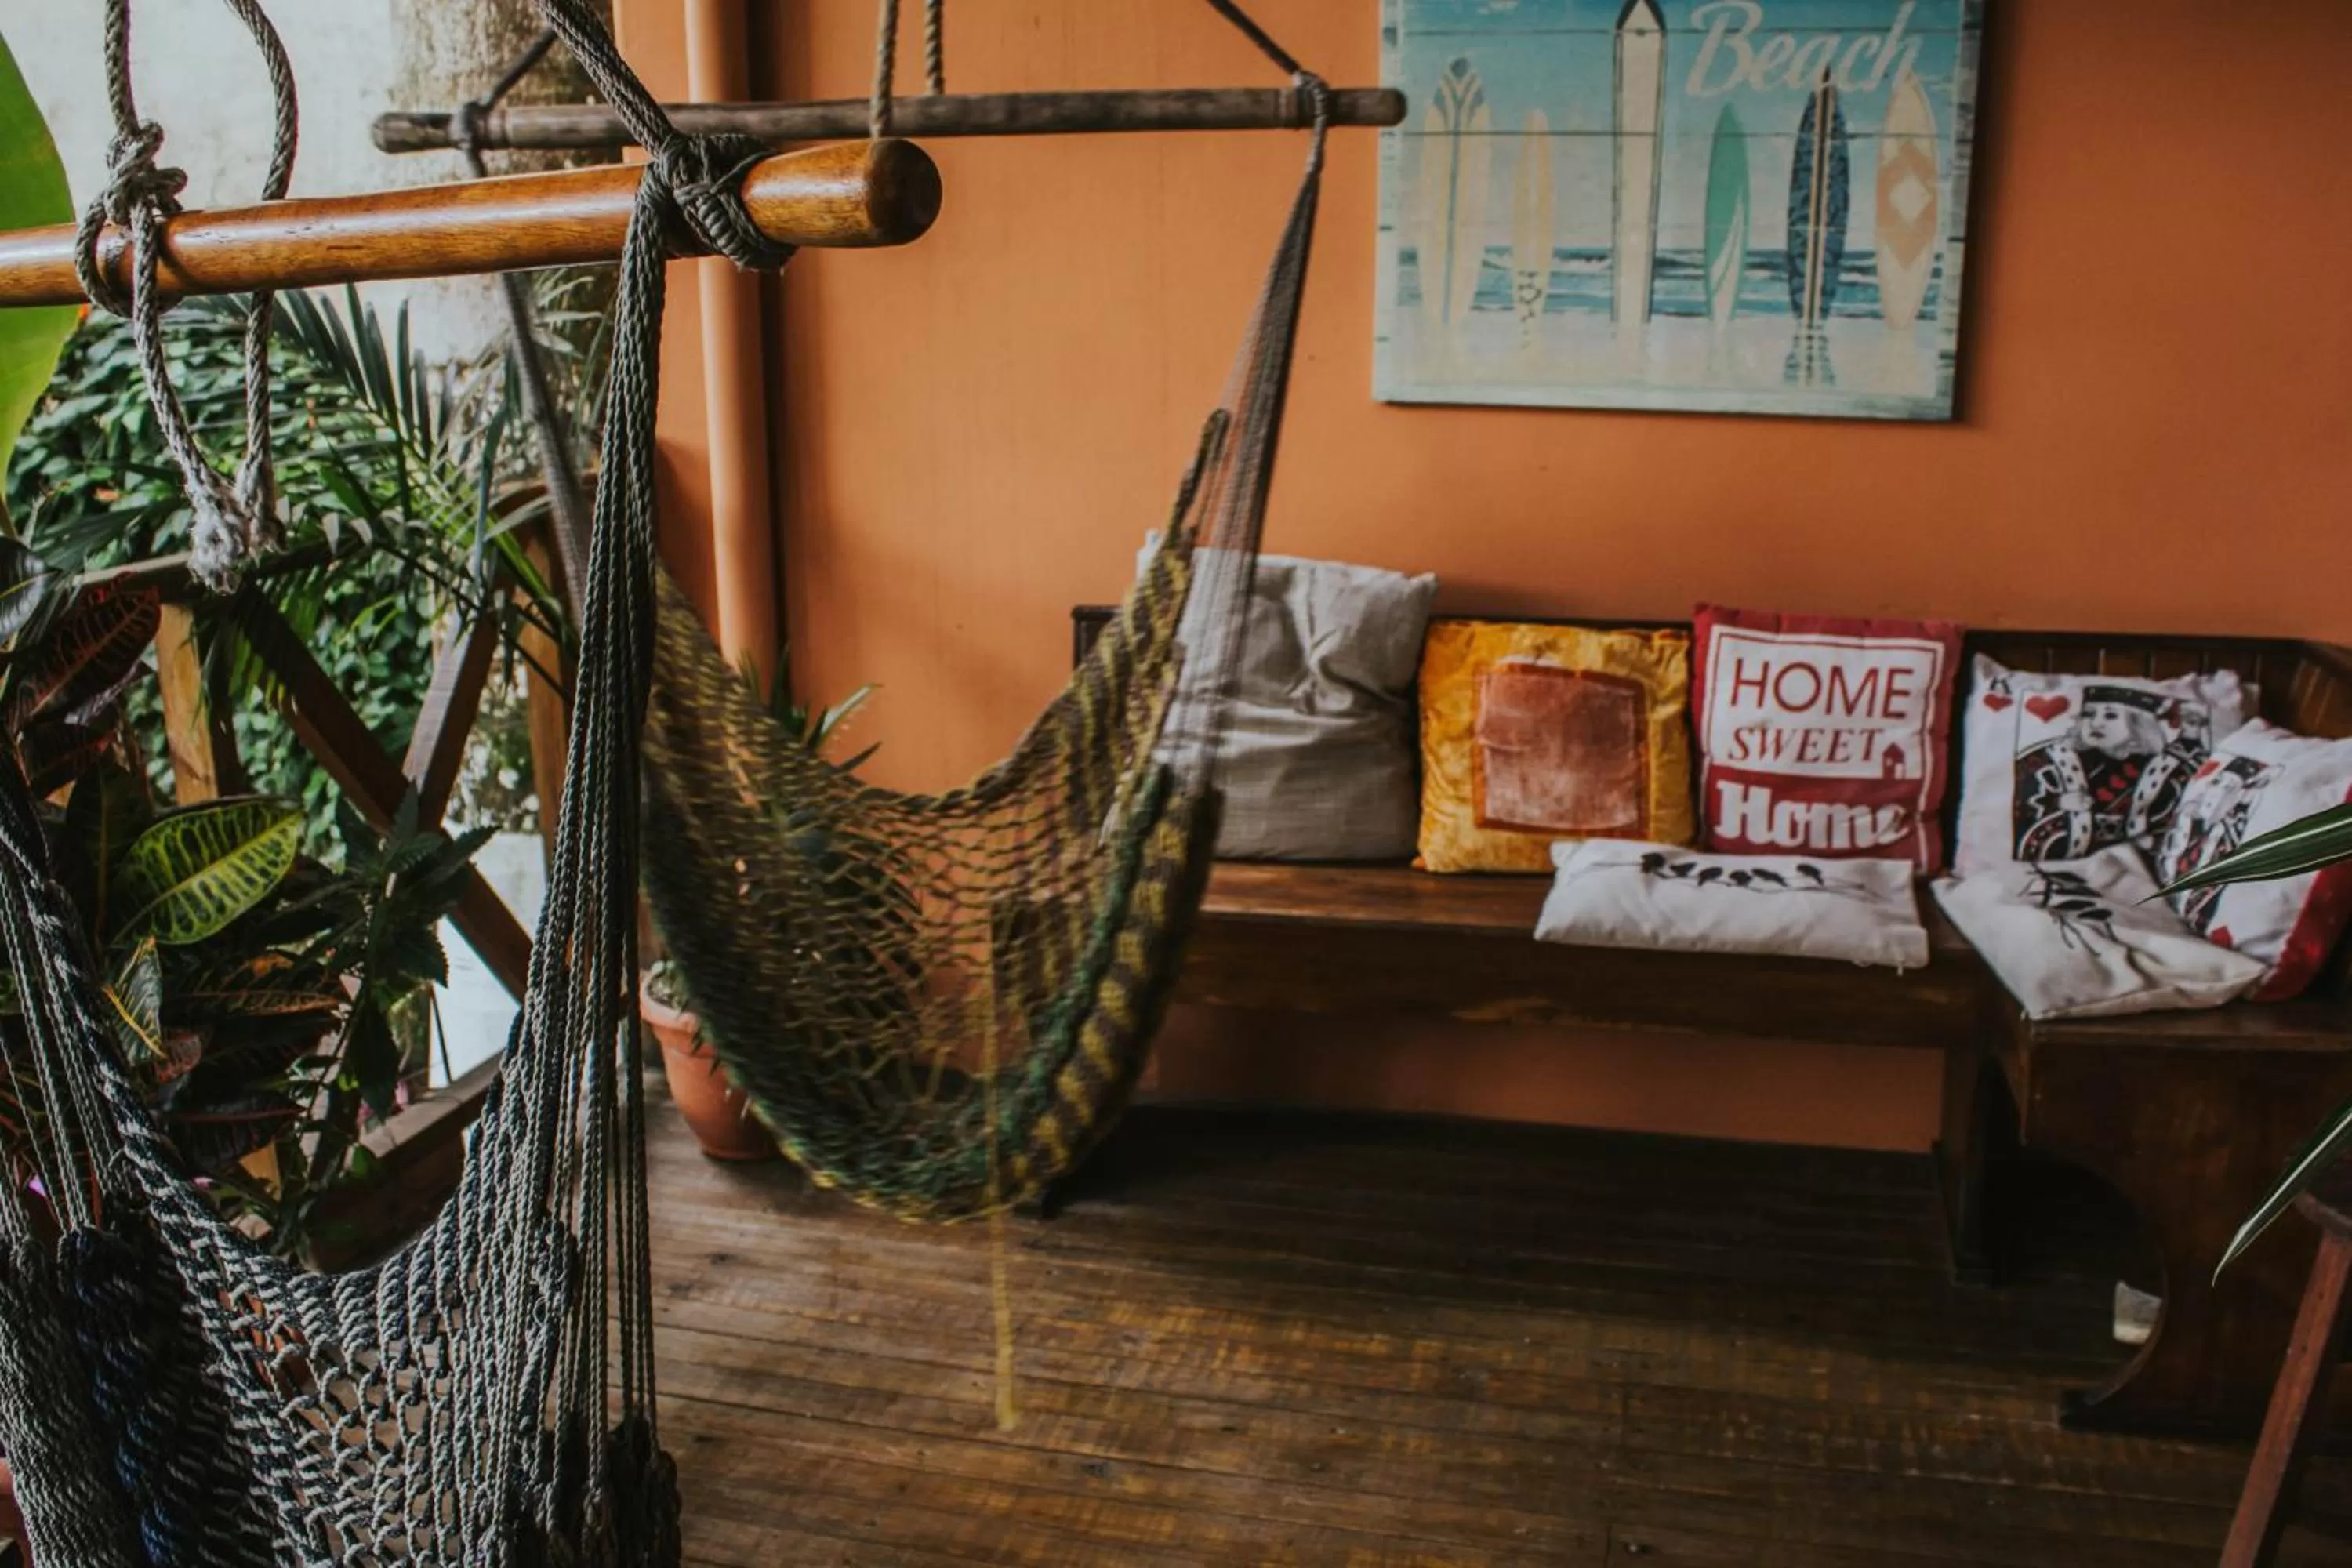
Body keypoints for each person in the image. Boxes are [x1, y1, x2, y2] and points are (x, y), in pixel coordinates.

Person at [2013, 685, 2206, 861]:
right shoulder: (2049, 759)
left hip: (2134, 873)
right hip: (2051, 862)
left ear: (2138, 723)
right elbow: (2019, 806)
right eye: (2088, 714)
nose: (2096, 723)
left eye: (2111, 716)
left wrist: (2152, 842)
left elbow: (2183, 823)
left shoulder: (2166, 768)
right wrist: (2059, 802)